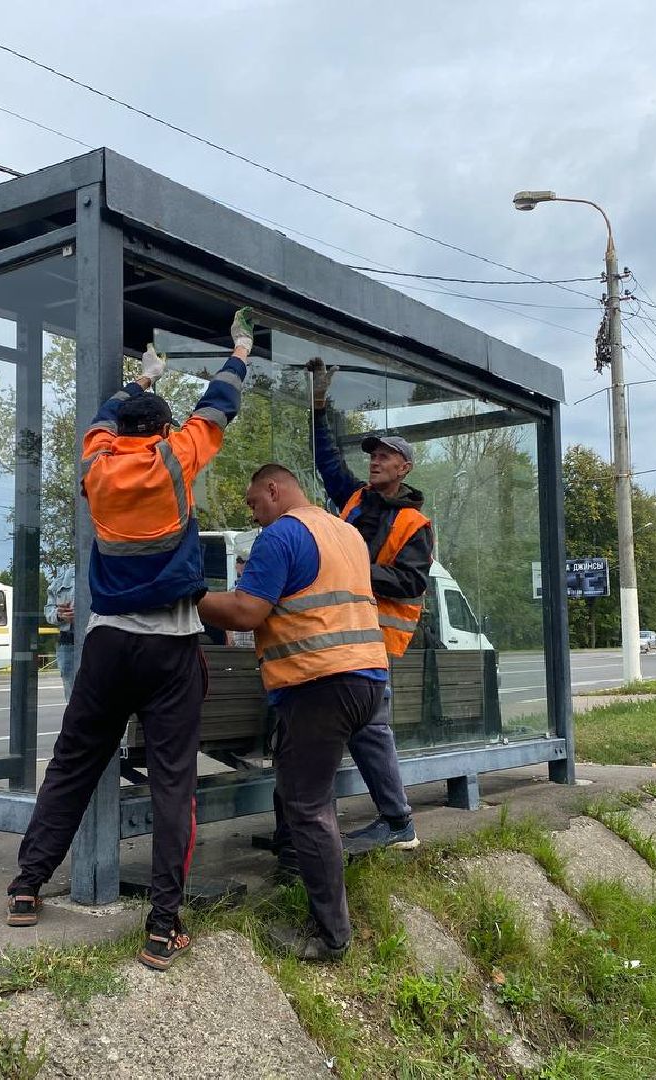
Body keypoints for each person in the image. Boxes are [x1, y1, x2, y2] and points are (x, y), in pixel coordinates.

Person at [6, 309, 256, 972]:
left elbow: (102, 416)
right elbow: (219, 403)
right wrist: (239, 349)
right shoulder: (178, 457)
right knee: (174, 783)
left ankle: (27, 885)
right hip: (170, 645)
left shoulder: (96, 463)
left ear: (119, 433)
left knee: (73, 765)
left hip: (107, 644)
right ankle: (163, 927)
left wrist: (141, 380)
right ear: (165, 431)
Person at [198, 464, 388, 961]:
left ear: (273, 489)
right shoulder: (345, 533)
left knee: (308, 806)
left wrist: (189, 598)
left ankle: (330, 936)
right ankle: (295, 870)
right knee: (300, 789)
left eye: (253, 502)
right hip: (366, 679)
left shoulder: (281, 536)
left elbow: (246, 612)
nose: (252, 513)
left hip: (319, 682)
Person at [308, 360, 432, 854]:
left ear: (404, 468)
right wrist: (319, 406)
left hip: (374, 641)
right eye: (374, 455)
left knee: (368, 727)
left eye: (385, 456)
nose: (375, 461)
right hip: (337, 633)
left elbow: (411, 582)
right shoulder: (355, 498)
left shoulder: (414, 524)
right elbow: (326, 461)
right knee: (354, 726)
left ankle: (397, 820)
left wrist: (355, 569)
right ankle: (379, 820)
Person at [45, 564, 77, 700]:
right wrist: (59, 615)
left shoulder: (102, 569)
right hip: (68, 643)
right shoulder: (64, 575)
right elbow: (48, 611)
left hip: (96, 641)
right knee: (73, 696)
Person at [225, 553, 255, 649]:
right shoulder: (231, 592)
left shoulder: (260, 591)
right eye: (240, 561)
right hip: (237, 641)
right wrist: (230, 638)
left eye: (247, 561)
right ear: (236, 566)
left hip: (255, 642)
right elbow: (227, 618)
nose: (243, 565)